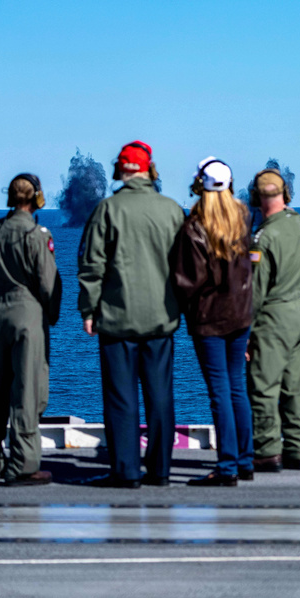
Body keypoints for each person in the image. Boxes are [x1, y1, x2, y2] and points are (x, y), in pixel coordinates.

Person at [78, 141, 184, 488]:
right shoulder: (172, 210)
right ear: (149, 168)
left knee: (121, 398)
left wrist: (88, 308)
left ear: (123, 170)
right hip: (161, 319)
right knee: (160, 396)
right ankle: (161, 470)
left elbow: (92, 264)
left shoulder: (108, 210)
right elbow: (186, 266)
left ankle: (125, 471)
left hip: (117, 319)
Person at [171, 158, 254, 487]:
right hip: (240, 315)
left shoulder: (195, 225)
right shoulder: (243, 216)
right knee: (237, 389)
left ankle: (226, 467)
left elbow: (187, 279)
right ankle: (245, 461)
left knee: (219, 391)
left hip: (209, 319)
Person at [0, 174, 61, 486]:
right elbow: (47, 282)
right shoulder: (38, 234)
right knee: (26, 390)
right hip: (28, 313)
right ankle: (23, 465)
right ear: (37, 198)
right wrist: (49, 315)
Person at [247, 168, 300, 472]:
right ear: (285, 195)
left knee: (263, 385)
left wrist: (245, 331)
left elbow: (256, 291)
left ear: (256, 198)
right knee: (296, 386)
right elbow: (293, 214)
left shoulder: (263, 238)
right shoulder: (296, 224)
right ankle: (297, 450)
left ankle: (267, 450)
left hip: (273, 317)